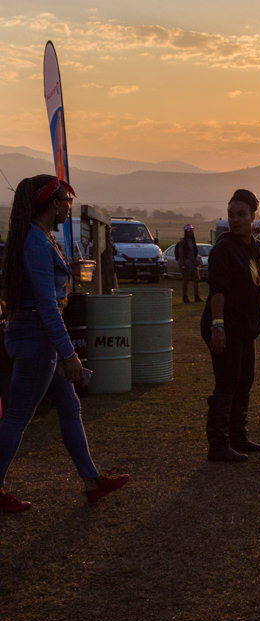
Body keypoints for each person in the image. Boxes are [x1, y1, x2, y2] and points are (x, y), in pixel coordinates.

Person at [0, 174, 130, 512]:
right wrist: (69, 354)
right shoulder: (36, 242)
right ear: (53, 204)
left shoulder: (37, 238)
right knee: (17, 416)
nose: (68, 207)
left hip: (34, 335)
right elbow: (46, 305)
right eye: (66, 201)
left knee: (70, 407)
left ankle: (91, 481)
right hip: (36, 340)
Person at [201, 189, 260, 462]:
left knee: (245, 379)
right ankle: (218, 444)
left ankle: (238, 436)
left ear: (254, 216)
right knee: (227, 381)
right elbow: (218, 291)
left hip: (246, 327)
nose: (235, 220)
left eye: (241, 214)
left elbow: (259, 281)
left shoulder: (257, 248)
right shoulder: (223, 249)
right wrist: (218, 327)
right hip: (225, 326)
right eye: (231, 215)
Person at [176, 223, 202, 304]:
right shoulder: (183, 242)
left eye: (191, 230)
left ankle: (196, 296)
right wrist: (183, 264)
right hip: (186, 263)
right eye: (189, 230)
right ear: (186, 231)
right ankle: (185, 297)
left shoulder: (193, 242)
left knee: (196, 279)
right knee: (186, 280)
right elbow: (181, 254)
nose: (190, 232)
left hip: (193, 263)